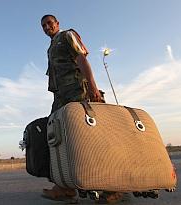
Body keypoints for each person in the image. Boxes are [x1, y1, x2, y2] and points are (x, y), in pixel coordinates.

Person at [40, 14, 122, 203]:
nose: (46, 27)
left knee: (91, 137)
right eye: (43, 26)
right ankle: (64, 187)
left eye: (49, 23)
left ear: (57, 24)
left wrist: (93, 88)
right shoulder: (51, 47)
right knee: (58, 138)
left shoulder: (67, 35)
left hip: (79, 91)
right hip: (61, 97)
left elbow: (81, 59)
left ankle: (113, 188)